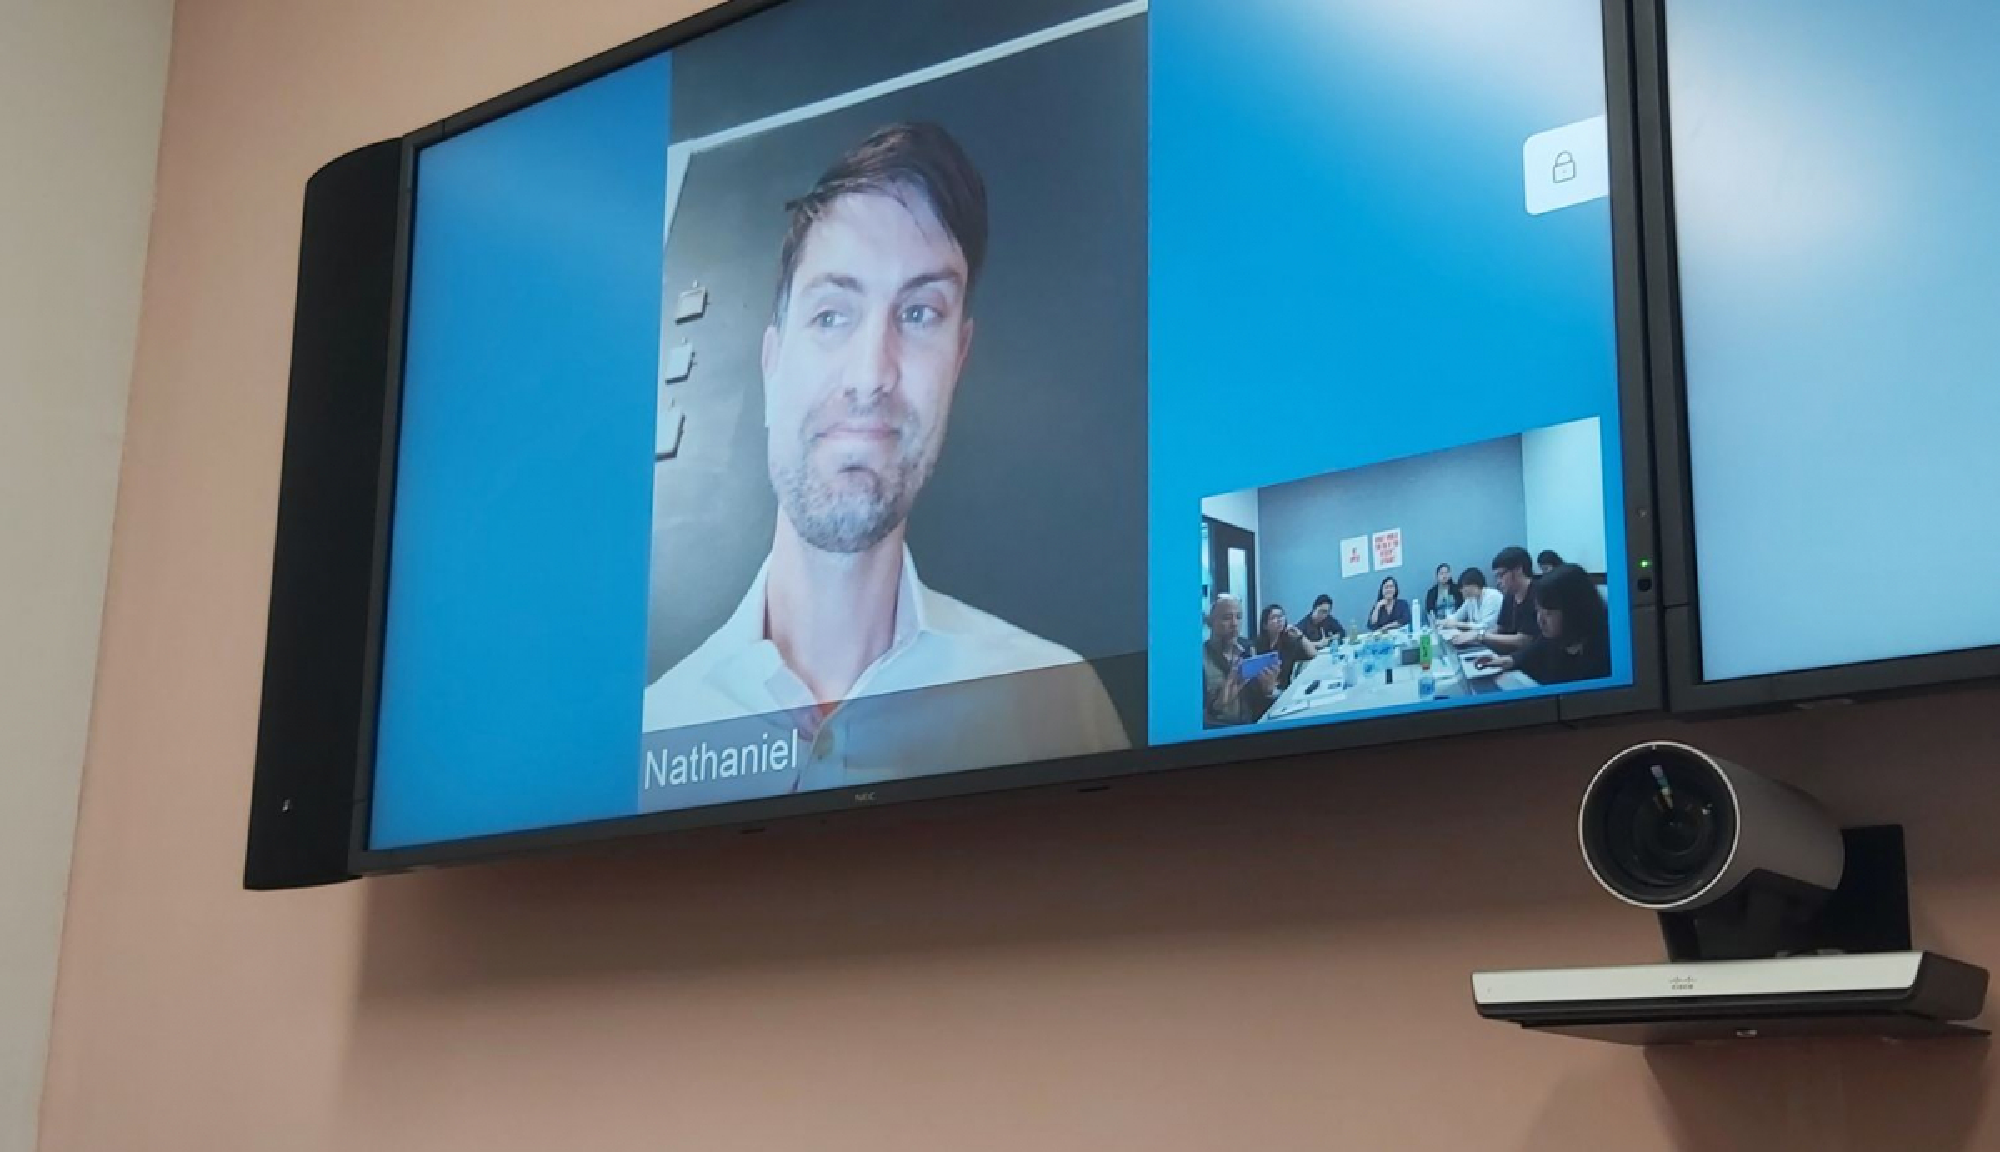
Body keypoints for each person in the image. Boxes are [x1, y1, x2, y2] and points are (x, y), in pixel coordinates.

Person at [642, 123, 1128, 779]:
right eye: (832, 315)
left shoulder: (1055, 700)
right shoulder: (653, 729)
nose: (871, 373)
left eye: (921, 313)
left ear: (958, 359)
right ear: (770, 365)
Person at [1476, 563, 1611, 685]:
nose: (1540, 620)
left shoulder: (1603, 651)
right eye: (1538, 611)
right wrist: (1508, 660)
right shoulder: (1553, 638)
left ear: (1574, 611)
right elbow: (1532, 652)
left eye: (1549, 613)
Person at [1204, 594, 1278, 727]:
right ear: (1210, 622)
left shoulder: (1249, 650)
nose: (1234, 624)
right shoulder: (1199, 660)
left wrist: (1268, 691)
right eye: (1227, 618)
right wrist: (1218, 706)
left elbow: (1257, 707)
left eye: (1238, 617)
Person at [1478, 546, 1543, 653]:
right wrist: (1474, 638)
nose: (1498, 581)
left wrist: (1481, 636)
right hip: (1511, 657)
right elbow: (1500, 628)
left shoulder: (1537, 593)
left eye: (1501, 575)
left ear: (1518, 570)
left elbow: (1524, 640)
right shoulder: (1509, 595)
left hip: (1531, 660)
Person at [1254, 603, 1320, 689]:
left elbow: (1314, 654)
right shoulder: (1257, 645)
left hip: (1283, 690)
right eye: (1274, 617)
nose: (1279, 620)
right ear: (1265, 625)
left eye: (1281, 616)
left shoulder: (1289, 642)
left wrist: (1300, 636)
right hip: (1262, 690)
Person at [1438, 567, 1505, 643]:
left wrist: (1458, 624)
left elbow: (1485, 627)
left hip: (1492, 642)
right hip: (1477, 640)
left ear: (1473, 585)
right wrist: (1442, 622)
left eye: (1463, 587)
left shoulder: (1493, 596)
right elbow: (1456, 616)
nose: (1461, 590)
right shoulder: (1471, 599)